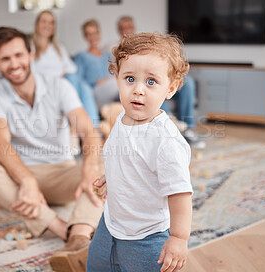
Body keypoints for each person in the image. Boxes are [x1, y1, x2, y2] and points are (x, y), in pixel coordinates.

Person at [0, 27, 103, 272]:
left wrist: (89, 169)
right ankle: (62, 229)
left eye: (19, 55)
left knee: (111, 162)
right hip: (21, 181)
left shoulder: (59, 86)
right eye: (5, 59)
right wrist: (27, 181)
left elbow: (89, 132)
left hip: (63, 175)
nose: (14, 64)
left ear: (30, 54)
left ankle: (80, 236)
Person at [87, 33, 193, 271]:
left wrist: (178, 238)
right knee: (96, 265)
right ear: (117, 78)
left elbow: (180, 194)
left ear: (171, 88)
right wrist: (113, 175)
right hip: (111, 223)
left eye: (151, 82)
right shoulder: (123, 118)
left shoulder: (165, 141)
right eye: (130, 78)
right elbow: (124, 155)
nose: (138, 90)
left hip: (147, 236)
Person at [108, 15, 205, 148]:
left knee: (188, 83)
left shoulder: (147, 46)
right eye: (123, 28)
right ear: (119, 31)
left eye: (129, 27)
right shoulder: (115, 51)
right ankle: (171, 120)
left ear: (134, 27)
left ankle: (186, 128)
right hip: (125, 88)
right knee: (152, 90)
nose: (127, 30)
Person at [32, 10, 100, 128]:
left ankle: (94, 131)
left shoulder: (59, 48)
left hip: (64, 84)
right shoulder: (30, 48)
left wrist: (64, 75)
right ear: (37, 24)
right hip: (45, 86)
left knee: (84, 87)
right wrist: (58, 76)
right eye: (44, 21)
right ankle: (88, 128)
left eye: (51, 22)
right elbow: (31, 72)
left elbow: (72, 69)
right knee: (80, 85)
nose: (48, 25)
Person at [74, 19, 119, 110]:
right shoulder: (81, 56)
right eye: (90, 34)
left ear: (99, 34)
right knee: (117, 84)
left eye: (95, 33)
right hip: (96, 92)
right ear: (85, 37)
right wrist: (96, 81)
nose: (93, 37)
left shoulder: (108, 55)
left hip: (113, 88)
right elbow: (78, 81)